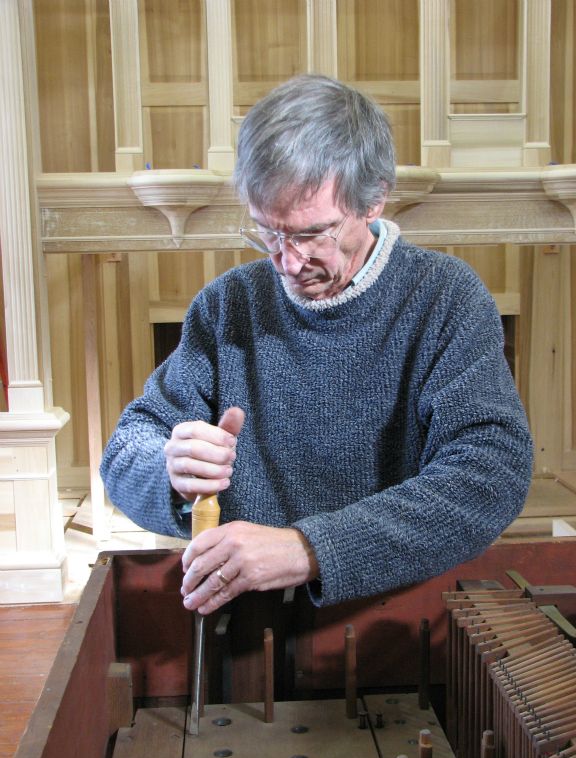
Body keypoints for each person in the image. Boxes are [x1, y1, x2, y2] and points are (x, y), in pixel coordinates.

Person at [100, 74, 533, 617]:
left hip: (393, 616)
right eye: (268, 231)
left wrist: (309, 549)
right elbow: (124, 451)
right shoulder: (228, 304)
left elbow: (490, 475)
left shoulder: (445, 298)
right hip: (246, 615)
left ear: (374, 199)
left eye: (311, 235)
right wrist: (169, 469)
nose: (287, 261)